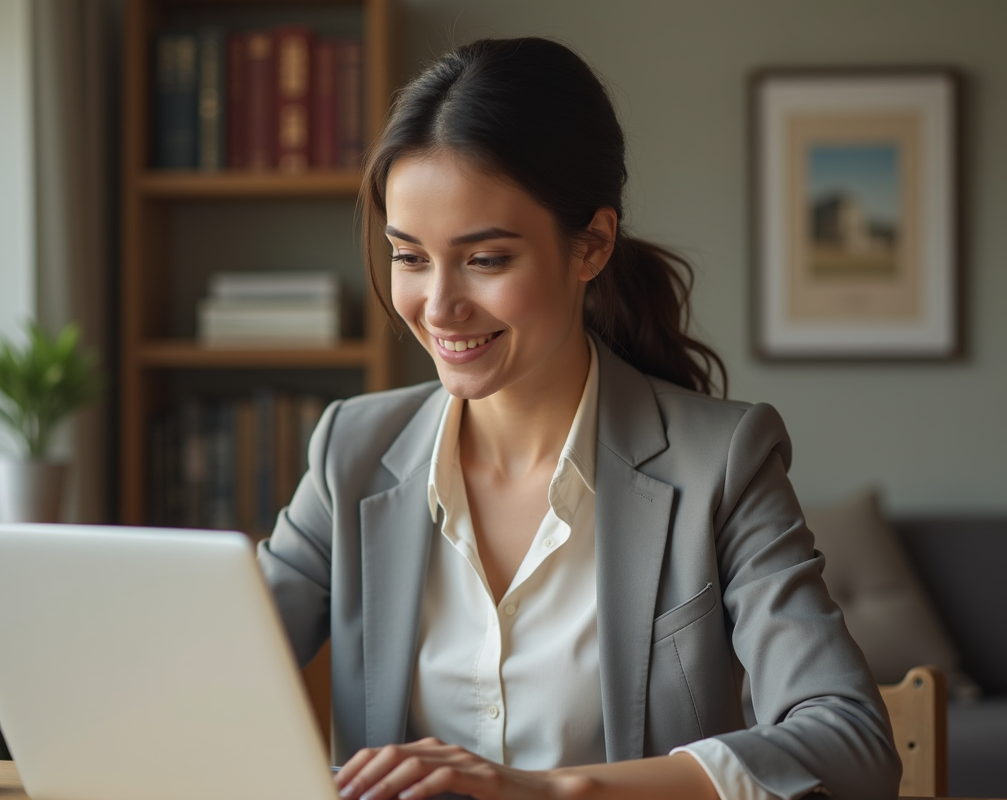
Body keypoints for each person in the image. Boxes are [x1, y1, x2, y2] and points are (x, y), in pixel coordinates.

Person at [259, 37, 900, 800]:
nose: (437, 307)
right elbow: (194, 677)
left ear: (591, 244)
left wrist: (555, 791)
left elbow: (851, 743)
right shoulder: (351, 452)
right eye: (409, 257)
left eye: (486, 259)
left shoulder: (721, 461)